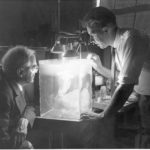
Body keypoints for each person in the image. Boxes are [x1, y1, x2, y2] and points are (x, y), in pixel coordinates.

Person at [82, 6, 150, 148]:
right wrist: (100, 68)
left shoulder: (131, 39)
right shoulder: (119, 44)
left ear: (106, 29)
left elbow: (126, 85)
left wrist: (103, 116)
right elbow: (123, 77)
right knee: (145, 136)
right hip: (144, 96)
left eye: (93, 34)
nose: (92, 40)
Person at [0, 46, 38, 148]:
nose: (36, 71)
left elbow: (30, 105)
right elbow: (2, 140)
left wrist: (24, 120)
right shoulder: (4, 95)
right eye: (34, 67)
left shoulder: (17, 83)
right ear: (21, 72)